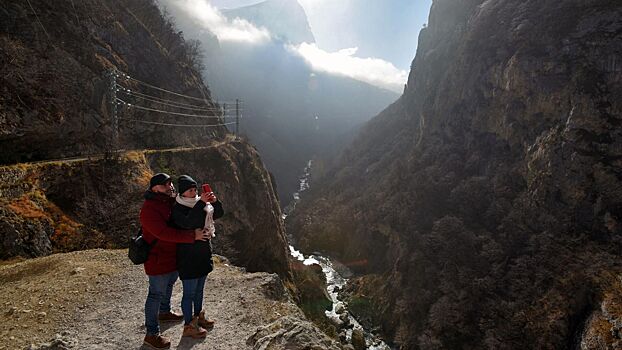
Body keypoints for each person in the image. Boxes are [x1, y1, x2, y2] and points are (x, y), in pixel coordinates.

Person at [140, 173, 211, 349]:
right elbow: (164, 233)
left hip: (173, 256)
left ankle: (164, 312)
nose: (170, 187)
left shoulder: (169, 203)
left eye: (171, 184)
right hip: (157, 258)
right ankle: (151, 334)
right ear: (154, 188)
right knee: (155, 293)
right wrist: (191, 236)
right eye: (165, 185)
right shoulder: (149, 209)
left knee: (169, 285)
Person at [170, 175, 224, 338]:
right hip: (188, 257)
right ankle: (188, 325)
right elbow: (187, 223)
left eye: (195, 189)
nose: (193, 193)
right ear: (182, 193)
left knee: (199, 290)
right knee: (189, 293)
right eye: (190, 190)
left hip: (202, 254)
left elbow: (218, 213)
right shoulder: (178, 208)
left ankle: (198, 317)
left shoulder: (203, 204)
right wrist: (201, 203)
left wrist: (214, 202)